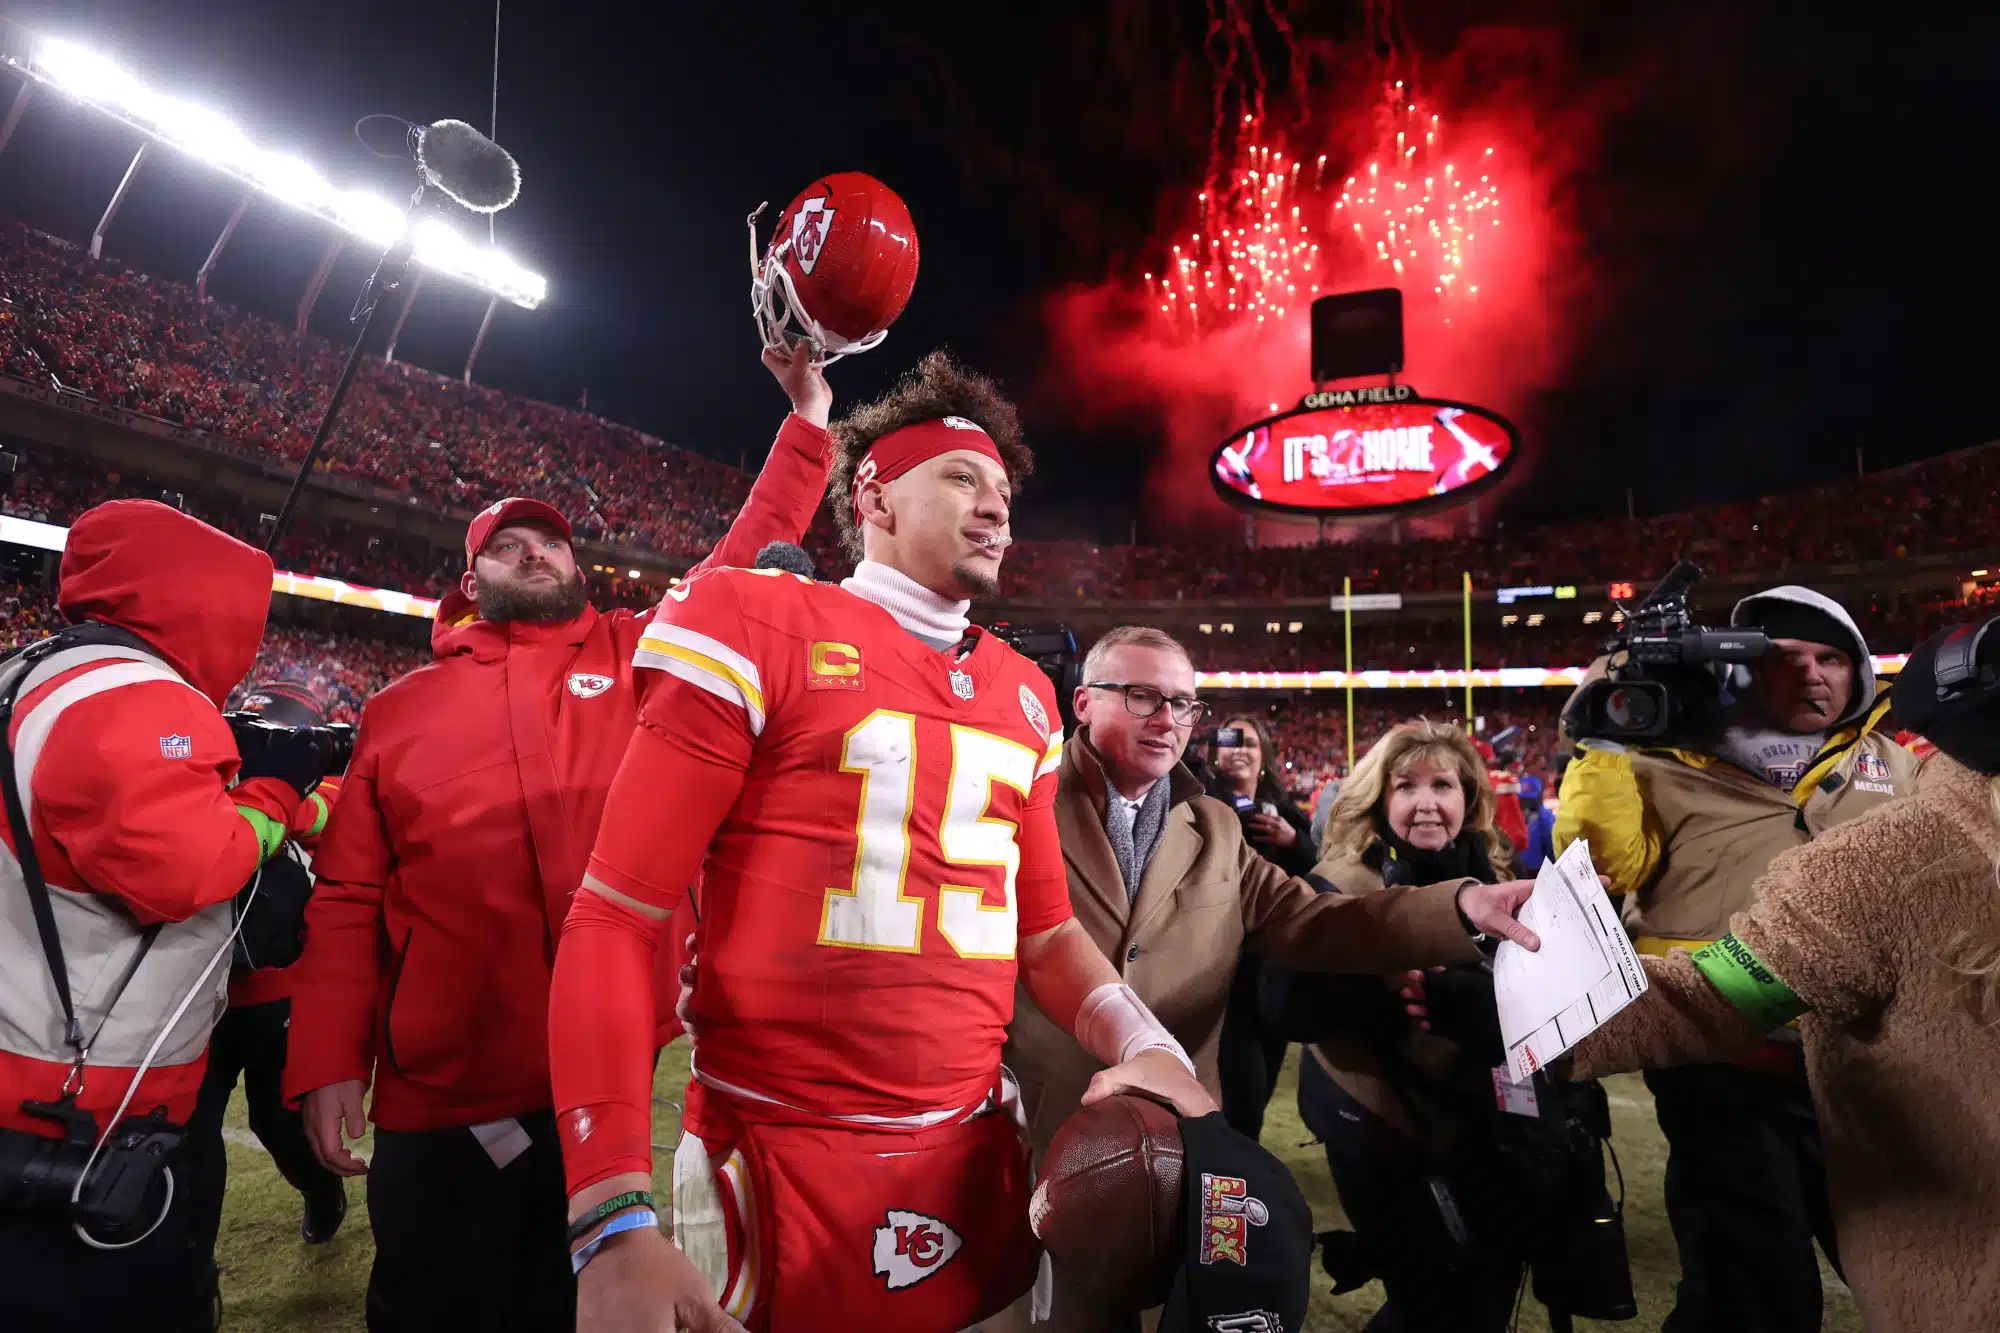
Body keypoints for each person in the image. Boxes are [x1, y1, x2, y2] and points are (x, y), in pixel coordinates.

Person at [545, 357, 1545, 1333]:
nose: (996, 510)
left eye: (1004, 492)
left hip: (974, 1147)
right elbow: (616, 915)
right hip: (779, 1145)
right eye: (961, 479)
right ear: (874, 495)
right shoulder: (752, 617)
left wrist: (1146, 1048)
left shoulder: (1019, 691)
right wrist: (608, 1214)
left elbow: (1047, 938)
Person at [282, 342, 836, 1333]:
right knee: (427, 1312)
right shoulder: (399, 710)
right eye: (507, 546)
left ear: (579, 564)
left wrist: (808, 416)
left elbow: (745, 551)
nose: (533, 553)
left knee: (585, 1311)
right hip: (437, 1092)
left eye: (548, 542)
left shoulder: (639, 652)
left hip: (599, 1082)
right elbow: (348, 902)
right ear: (471, 577)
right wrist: (327, 1059)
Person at [997, 631, 1543, 1333]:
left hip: (1180, 1144)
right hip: (1044, 1135)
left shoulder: (1216, 827)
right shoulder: (1014, 802)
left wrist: (1460, 906)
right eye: (1142, 697)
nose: (1168, 719)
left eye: (1184, 703)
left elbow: (1316, 920)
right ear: (1081, 702)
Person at [1556, 620, 2000, 1333]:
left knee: (1904, 1238)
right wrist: (1605, 743)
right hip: (1729, 1050)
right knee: (1754, 1282)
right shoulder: (1667, 763)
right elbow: (1609, 866)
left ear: (1860, 671)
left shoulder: (1894, 763)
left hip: (1869, 1062)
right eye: (1785, 659)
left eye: (1830, 658)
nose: (1811, 675)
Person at [0, 500, 325, 1333]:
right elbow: (185, 865)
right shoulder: (137, 695)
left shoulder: (37, 669)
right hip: (79, 1108)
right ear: (207, 601)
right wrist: (276, 786)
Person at [1293, 720, 1557, 1330]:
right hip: (1379, 1119)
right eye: (1405, 786)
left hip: (1487, 1119)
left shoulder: (1500, 875)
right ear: (1378, 800)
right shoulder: (1341, 883)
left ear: (1469, 797)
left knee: (1487, 1290)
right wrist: (1383, 971)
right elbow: (1289, 1009)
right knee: (1430, 1297)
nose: (1427, 802)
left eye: (1443, 784)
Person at [180, 681, 351, 1319]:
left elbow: (325, 814)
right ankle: (194, 1264)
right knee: (189, 1135)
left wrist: (282, 797)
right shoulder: (209, 784)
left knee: (276, 1124)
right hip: (200, 993)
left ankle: (320, 1189)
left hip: (278, 990)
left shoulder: (317, 789)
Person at [1203, 712, 1318, 1138]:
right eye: (1229, 741)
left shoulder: (1286, 816)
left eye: (1249, 743)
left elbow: (1323, 877)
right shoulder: (1199, 804)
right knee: (1241, 1100)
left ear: (1264, 756)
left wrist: (1294, 842)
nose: (1239, 751)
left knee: (1262, 1086)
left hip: (1275, 974)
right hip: (1221, 972)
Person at [1516, 772, 1556, 875]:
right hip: (1531, 870)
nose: (1526, 804)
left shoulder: (1544, 816)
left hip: (1536, 870)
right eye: (1524, 800)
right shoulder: (1545, 815)